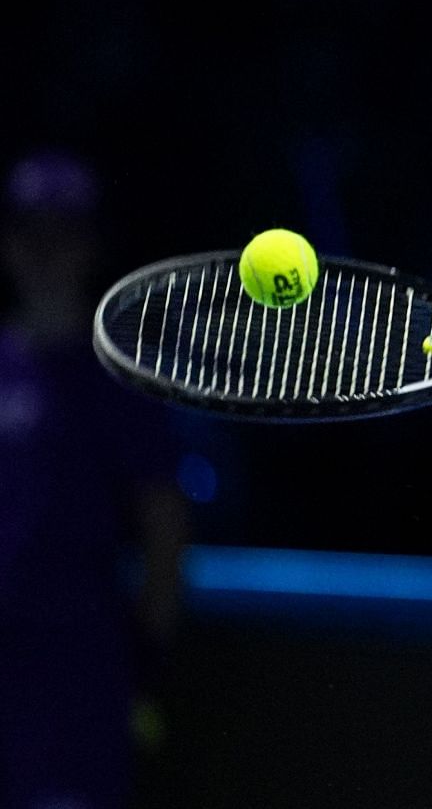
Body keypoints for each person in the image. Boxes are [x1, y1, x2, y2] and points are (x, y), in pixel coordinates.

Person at [0, 151, 189, 809]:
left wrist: (147, 666)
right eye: (31, 233)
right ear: (9, 243)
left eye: (63, 234)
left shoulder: (122, 380)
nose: (45, 251)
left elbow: (165, 528)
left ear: (88, 246)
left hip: (80, 679)